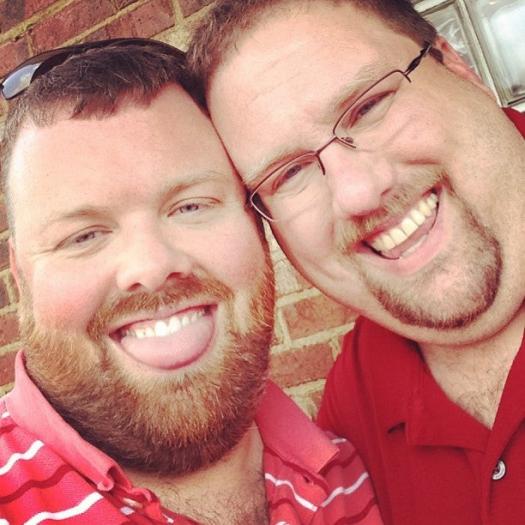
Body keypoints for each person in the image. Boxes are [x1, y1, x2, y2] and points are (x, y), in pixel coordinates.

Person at [0, 39, 381, 524]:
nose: (151, 266)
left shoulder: (353, 471)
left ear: (255, 224)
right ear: (21, 277)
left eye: (190, 206)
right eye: (84, 236)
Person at [187, 1, 525, 524]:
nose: (357, 193)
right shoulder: (353, 412)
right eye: (289, 173)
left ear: (457, 65)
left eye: (368, 107)